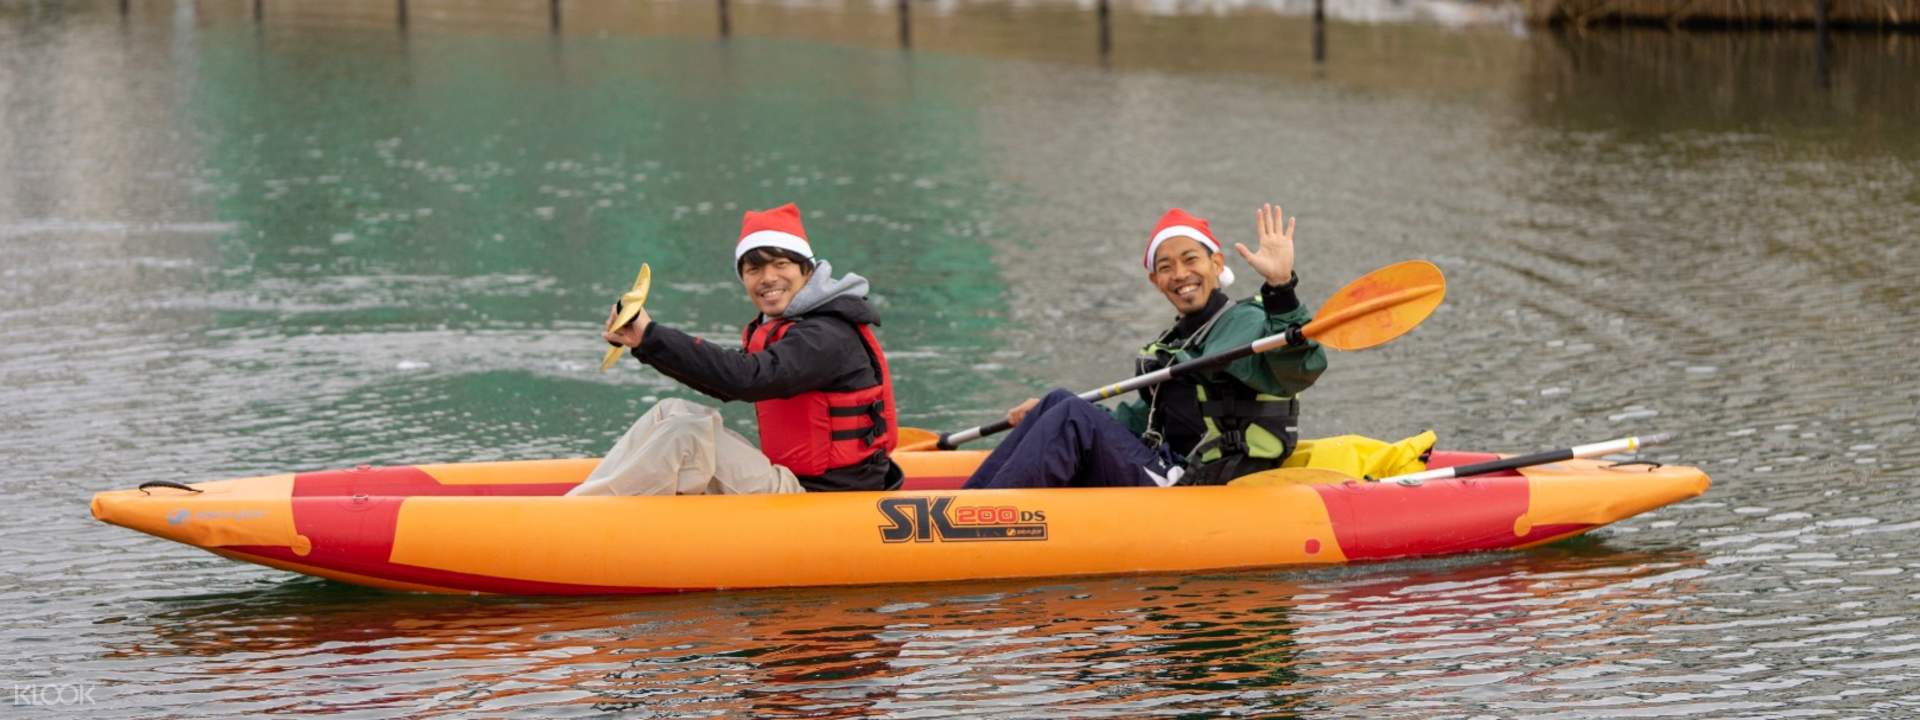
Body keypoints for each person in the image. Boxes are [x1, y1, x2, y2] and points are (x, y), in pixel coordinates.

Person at [963, 204, 1326, 489]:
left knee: (1071, 417)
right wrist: (1046, 414)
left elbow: (1298, 371)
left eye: (1190, 260)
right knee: (1059, 402)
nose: (1180, 275)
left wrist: (1281, 286)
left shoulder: (1247, 321)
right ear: (1156, 281)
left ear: (1216, 264)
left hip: (1204, 478)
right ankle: (964, 506)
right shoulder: (1175, 340)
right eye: (1166, 267)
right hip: (1166, 460)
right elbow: (1145, 420)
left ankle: (974, 519)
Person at [569, 202, 903, 496]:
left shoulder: (827, 335)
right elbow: (726, 379)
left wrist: (652, 337)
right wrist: (643, 344)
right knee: (672, 412)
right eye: (754, 269)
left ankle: (576, 522)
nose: (767, 278)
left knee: (686, 436)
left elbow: (746, 379)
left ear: (807, 270)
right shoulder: (788, 328)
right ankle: (584, 505)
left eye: (781, 264)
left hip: (822, 500)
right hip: (793, 480)